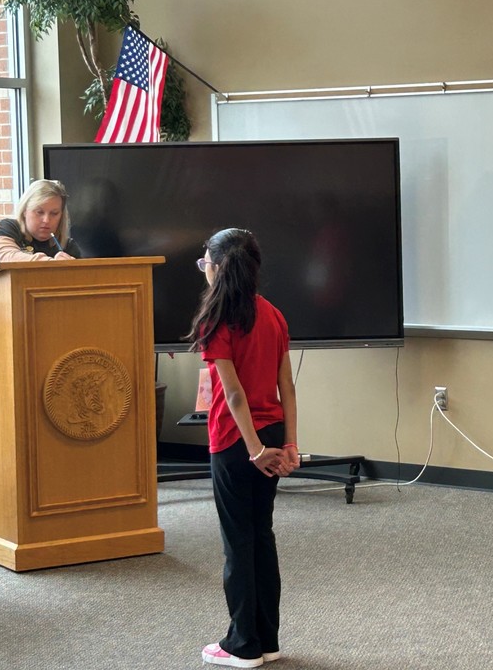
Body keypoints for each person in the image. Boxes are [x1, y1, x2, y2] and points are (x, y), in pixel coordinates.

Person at [186, 228, 299, 669]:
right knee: (260, 536)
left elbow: (233, 397)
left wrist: (253, 450)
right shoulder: (273, 314)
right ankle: (266, 640)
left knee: (238, 543)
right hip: (271, 434)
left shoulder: (216, 321)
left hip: (237, 442)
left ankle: (241, 645)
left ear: (216, 268)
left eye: (203, 263)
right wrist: (289, 444)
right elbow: (285, 386)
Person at [0, 179, 81, 368]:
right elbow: (7, 258)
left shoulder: (67, 247)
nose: (46, 220)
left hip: (44, 333)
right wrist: (52, 264)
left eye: (54, 213)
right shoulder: (6, 228)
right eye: (39, 212)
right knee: (18, 363)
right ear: (25, 210)